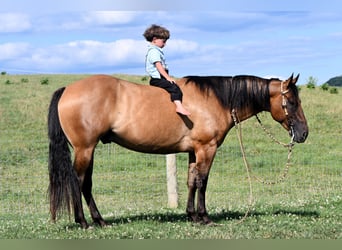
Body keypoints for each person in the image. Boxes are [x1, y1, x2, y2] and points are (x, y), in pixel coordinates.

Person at [143, 24, 191, 116]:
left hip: (161, 78)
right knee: (174, 88)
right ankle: (179, 107)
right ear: (154, 39)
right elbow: (158, 66)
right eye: (163, 41)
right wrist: (168, 78)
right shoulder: (154, 51)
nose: (165, 44)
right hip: (158, 79)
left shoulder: (156, 50)